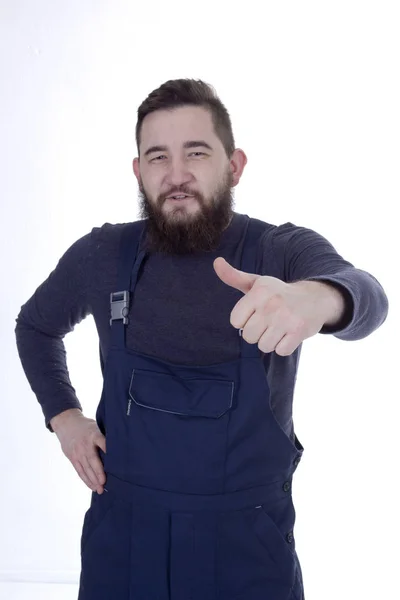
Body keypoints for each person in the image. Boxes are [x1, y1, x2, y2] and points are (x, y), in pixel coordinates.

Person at [15, 78, 389, 600]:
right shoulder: (101, 256)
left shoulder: (280, 252)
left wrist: (319, 299)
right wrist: (63, 417)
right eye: (157, 157)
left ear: (234, 165)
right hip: (122, 547)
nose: (176, 176)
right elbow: (34, 326)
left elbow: (369, 297)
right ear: (138, 171)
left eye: (196, 153)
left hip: (246, 552)